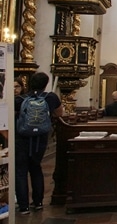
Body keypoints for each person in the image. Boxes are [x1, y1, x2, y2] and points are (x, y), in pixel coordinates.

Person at [15, 72, 63, 214]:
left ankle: (23, 207)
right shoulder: (51, 97)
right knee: (36, 168)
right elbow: (60, 114)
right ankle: (38, 203)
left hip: (22, 138)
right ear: (45, 84)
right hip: (40, 139)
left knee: (21, 172)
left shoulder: (20, 99)